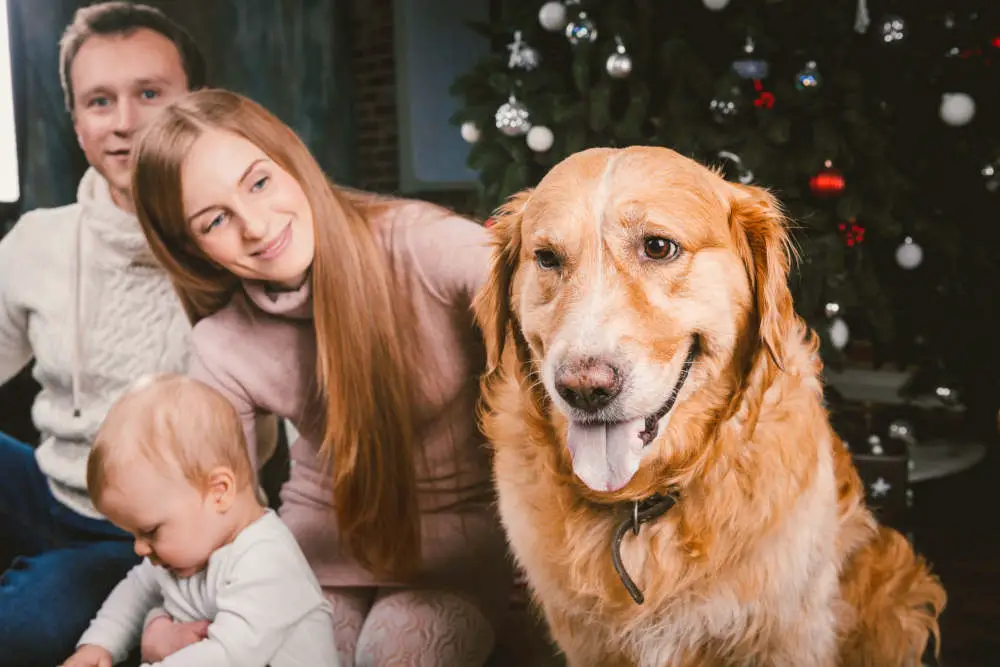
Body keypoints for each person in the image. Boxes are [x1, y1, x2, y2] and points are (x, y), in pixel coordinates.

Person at [131, 88, 513, 667]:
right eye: (215, 220)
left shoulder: (424, 245)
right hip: (312, 554)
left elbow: (556, 320)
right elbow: (204, 505)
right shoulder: (223, 343)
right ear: (192, 249)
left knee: (397, 649)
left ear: (290, 159)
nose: (256, 228)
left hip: (464, 557)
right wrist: (161, 621)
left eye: (258, 183)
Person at [0, 3, 205, 663]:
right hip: (49, 487)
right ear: (77, 123)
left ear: (194, 104)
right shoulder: (37, 240)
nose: (124, 123)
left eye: (149, 93)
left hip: (164, 532)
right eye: (99, 101)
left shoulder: (240, 239)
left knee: (23, 630)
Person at [63, 374, 339, 667]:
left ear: (219, 492)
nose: (140, 549)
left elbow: (227, 656)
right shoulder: (188, 550)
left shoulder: (267, 561)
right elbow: (135, 591)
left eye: (150, 531)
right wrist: (98, 645)